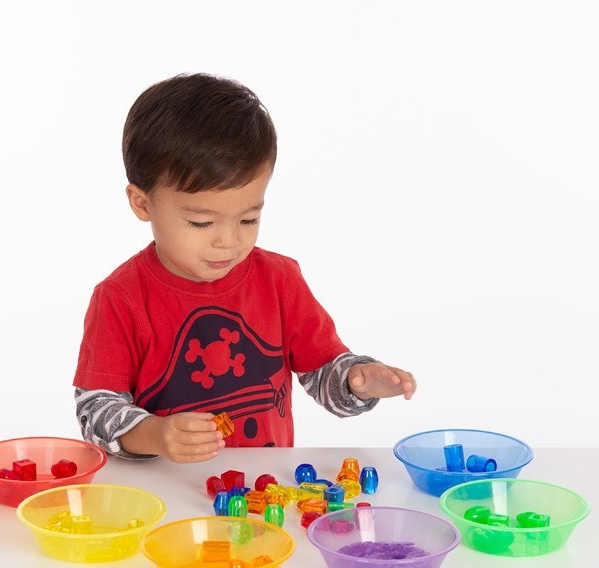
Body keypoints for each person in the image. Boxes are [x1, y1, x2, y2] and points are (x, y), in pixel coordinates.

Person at [73, 73, 415, 463]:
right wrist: (156, 434)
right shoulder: (120, 297)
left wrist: (357, 381)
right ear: (142, 204)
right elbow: (95, 410)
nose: (228, 242)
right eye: (202, 223)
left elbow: (322, 373)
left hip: (261, 491)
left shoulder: (279, 280)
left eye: (248, 219)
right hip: (166, 495)